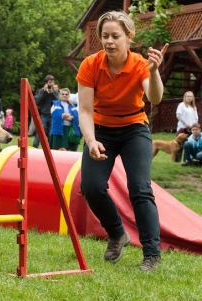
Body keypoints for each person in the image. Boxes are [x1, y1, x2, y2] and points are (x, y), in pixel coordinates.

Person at [77, 10, 169, 271]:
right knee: (91, 187)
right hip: (101, 129)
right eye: (105, 36)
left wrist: (154, 72)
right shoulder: (90, 65)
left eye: (115, 36)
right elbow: (84, 111)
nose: (109, 41)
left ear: (129, 37)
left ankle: (151, 255)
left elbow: (155, 98)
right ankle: (118, 234)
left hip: (133, 129)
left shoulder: (140, 64)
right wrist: (91, 140)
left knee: (140, 189)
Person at [32, 75, 60, 148]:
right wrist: (44, 92)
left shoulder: (56, 91)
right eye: (50, 82)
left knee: (51, 133)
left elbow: (58, 101)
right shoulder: (42, 91)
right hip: (44, 115)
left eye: (52, 82)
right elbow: (37, 101)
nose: (51, 84)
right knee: (40, 131)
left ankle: (50, 149)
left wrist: (52, 92)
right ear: (46, 83)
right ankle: (35, 146)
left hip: (52, 116)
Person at [174, 91, 197, 162]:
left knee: (188, 145)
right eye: (188, 96)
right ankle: (177, 161)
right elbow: (178, 115)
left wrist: (194, 126)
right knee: (179, 146)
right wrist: (186, 123)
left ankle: (186, 160)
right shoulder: (181, 105)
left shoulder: (193, 107)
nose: (189, 98)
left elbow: (196, 118)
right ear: (185, 97)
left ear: (193, 98)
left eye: (191, 96)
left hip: (191, 129)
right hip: (182, 129)